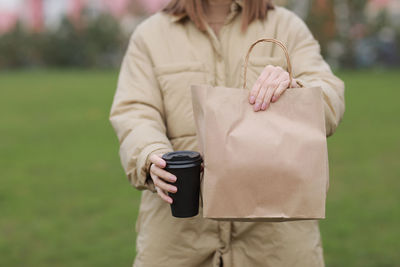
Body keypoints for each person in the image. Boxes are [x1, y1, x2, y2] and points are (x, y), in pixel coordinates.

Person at [109, 0, 345, 266]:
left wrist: (297, 90)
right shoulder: (150, 35)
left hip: (278, 245)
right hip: (176, 242)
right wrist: (151, 154)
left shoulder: (287, 26)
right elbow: (135, 111)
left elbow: (330, 96)